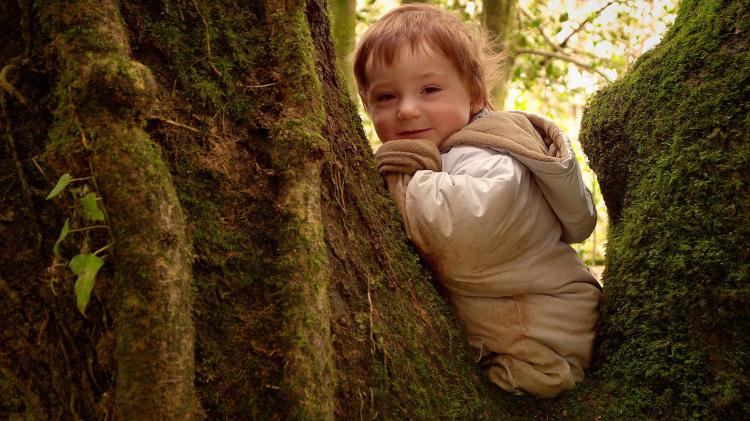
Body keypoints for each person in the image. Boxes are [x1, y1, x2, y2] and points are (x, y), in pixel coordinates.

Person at [352, 4, 602, 398]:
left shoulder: (489, 151)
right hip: (518, 330)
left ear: (474, 95)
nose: (407, 109)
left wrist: (401, 175)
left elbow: (465, 227)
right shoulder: (451, 152)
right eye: (385, 96)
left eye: (430, 89)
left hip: (538, 342)